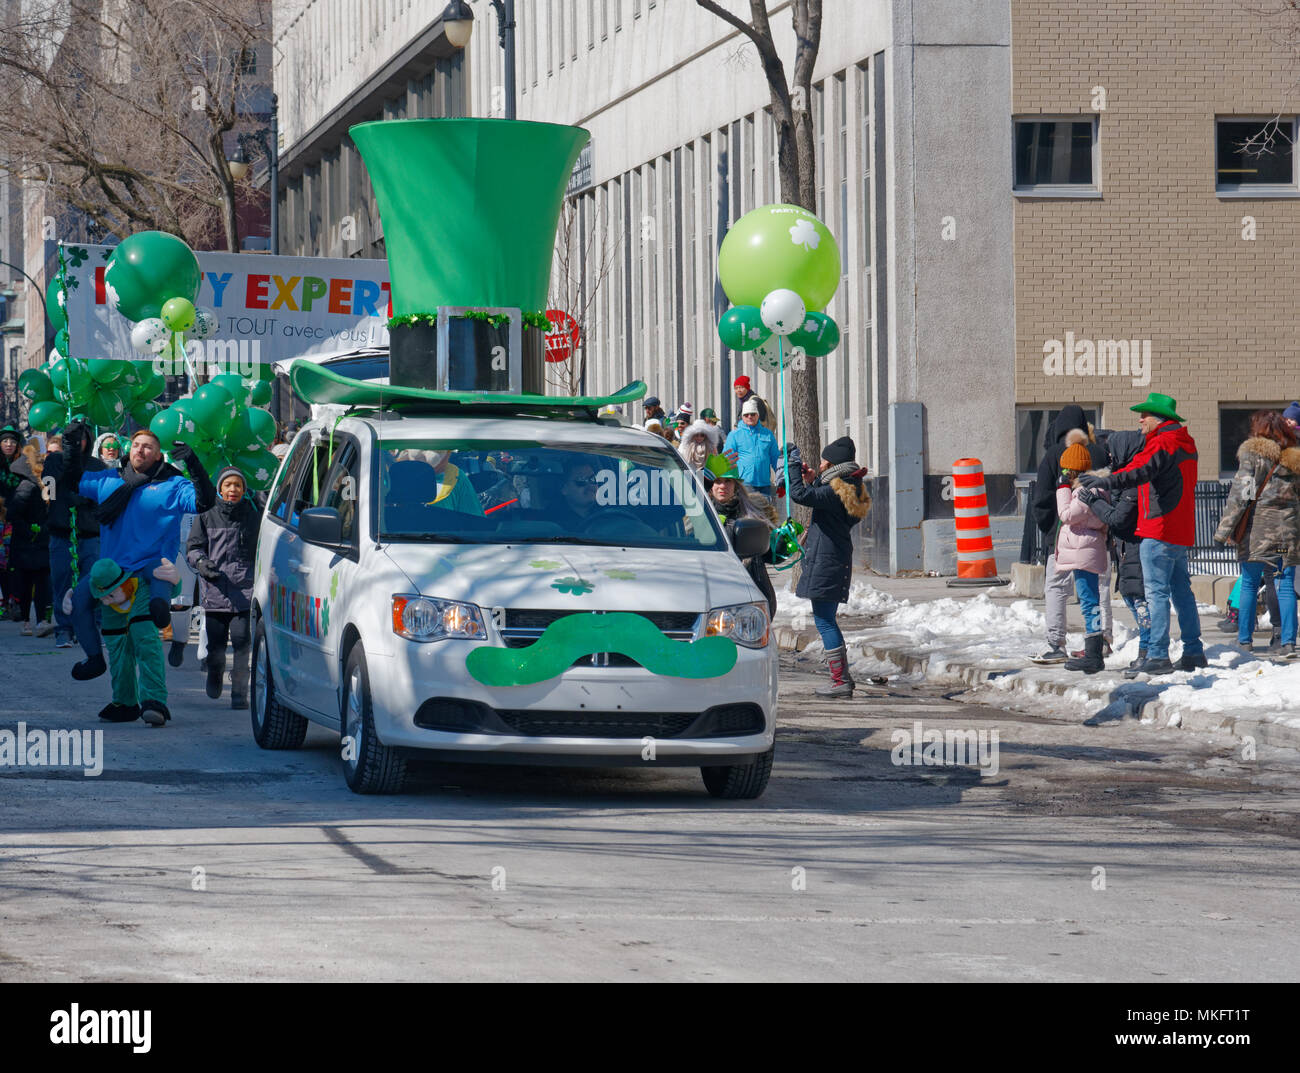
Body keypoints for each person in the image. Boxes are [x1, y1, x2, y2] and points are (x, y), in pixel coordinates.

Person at [57, 425, 216, 680]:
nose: (140, 449)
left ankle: (161, 616)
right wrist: (71, 445)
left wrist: (193, 462)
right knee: (78, 602)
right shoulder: (109, 480)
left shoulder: (174, 485)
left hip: (153, 566)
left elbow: (205, 502)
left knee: (145, 630)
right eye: (137, 445)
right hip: (113, 571)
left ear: (157, 456)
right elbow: (71, 480)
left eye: (148, 446)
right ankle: (95, 659)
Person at [1078, 392, 1205, 676]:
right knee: (1182, 592)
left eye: (1144, 415)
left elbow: (1137, 471)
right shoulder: (1187, 443)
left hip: (1158, 529)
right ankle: (1194, 651)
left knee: (1156, 593)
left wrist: (1104, 481)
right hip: (1180, 530)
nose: (1140, 420)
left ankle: (1158, 654)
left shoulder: (1162, 443)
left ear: (1158, 418)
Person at [786, 437, 872, 697]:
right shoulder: (848, 486)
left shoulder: (838, 489)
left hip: (827, 560)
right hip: (834, 557)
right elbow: (819, 497)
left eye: (824, 461)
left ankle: (840, 681)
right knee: (827, 619)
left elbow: (800, 495)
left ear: (833, 463)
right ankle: (842, 677)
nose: (820, 464)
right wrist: (813, 479)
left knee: (824, 621)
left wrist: (791, 466)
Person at [1213, 410, 1300, 658]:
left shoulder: (1254, 455)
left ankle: (1244, 641)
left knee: (1250, 583)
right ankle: (1287, 642)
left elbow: (1243, 494)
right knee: (1284, 584)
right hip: (1286, 536)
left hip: (1257, 534)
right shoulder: (1294, 460)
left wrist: (1223, 532)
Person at [1031, 409, 1103, 663]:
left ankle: (1055, 643)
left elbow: (1040, 500)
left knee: (1057, 588)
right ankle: (1101, 640)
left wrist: (1050, 529)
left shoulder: (1053, 455)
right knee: (1098, 589)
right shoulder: (1099, 453)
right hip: (1097, 536)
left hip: (1062, 536)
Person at [1078, 431, 1150, 670]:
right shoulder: (1125, 478)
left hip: (1135, 547)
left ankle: (1148, 650)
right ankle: (1147, 648)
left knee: (1137, 599)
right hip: (1126, 548)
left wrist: (1093, 502)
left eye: (1113, 450)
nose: (1109, 455)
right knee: (1132, 595)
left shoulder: (1133, 482)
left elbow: (1119, 518)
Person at [187, 467, 259, 706]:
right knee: (217, 646)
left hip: (244, 591)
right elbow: (193, 547)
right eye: (228, 485)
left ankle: (239, 692)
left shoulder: (253, 514)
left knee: (241, 642)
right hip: (215, 590)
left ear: (244, 490)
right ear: (219, 489)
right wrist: (202, 562)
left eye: (238, 485)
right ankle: (215, 672)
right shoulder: (206, 515)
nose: (233, 490)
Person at [86, 557, 170, 726]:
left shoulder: (140, 580)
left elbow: (172, 586)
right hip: (113, 615)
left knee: (147, 647)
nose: (106, 599)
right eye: (102, 597)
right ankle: (125, 702)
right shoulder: (107, 601)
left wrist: (170, 583)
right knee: (118, 654)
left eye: (109, 595)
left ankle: (154, 701)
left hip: (140, 597)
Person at [44, 425, 104, 648]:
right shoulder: (54, 461)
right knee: (62, 579)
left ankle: (93, 625)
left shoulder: (97, 466)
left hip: (89, 533)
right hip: (62, 533)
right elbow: (47, 489)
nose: (78, 443)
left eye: (82, 438)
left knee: (93, 580)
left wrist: (86, 498)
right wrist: (66, 469)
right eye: (73, 439)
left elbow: (104, 497)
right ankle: (64, 628)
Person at [1054, 440, 1111, 673]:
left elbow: (1066, 514)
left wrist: (1062, 489)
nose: (1064, 474)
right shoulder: (1092, 489)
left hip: (1084, 551)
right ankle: (1093, 649)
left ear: (1074, 470)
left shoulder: (1084, 492)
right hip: (1085, 549)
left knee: (1089, 602)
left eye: (1066, 470)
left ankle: (1094, 653)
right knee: (1090, 601)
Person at [705, 454, 777, 615]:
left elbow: (768, 554)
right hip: (713, 594)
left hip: (751, 593)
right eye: (717, 481)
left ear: (736, 485)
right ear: (710, 484)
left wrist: (781, 545)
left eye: (728, 481)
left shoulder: (755, 512)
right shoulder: (699, 515)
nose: (722, 486)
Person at [5, 440, 53, 636]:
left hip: (35, 541)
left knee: (36, 584)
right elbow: (14, 513)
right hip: (29, 543)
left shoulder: (41, 483)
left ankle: (36, 620)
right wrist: (32, 531)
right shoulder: (28, 485)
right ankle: (31, 620)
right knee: (31, 584)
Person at [724, 398, 781, 497]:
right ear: (742, 417)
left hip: (764, 484)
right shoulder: (735, 435)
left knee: (765, 512)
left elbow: (776, 459)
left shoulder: (767, 434)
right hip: (744, 483)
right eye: (746, 415)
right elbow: (727, 460)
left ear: (757, 415)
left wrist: (782, 479)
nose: (750, 417)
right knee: (746, 512)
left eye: (753, 414)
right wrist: (729, 483)